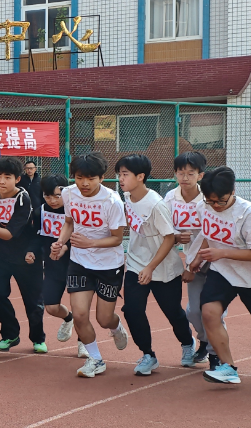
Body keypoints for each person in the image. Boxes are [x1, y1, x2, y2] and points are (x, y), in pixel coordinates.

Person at [188, 166, 251, 385]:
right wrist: (199, 257)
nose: (215, 206)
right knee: (208, 313)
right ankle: (228, 367)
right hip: (221, 271)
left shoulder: (249, 215)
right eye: (210, 200)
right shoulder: (203, 206)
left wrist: (221, 253)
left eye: (221, 201)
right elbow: (208, 233)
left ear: (233, 192)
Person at [51, 152, 129, 378]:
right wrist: (60, 242)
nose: (84, 183)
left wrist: (90, 242)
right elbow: (69, 222)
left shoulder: (112, 201)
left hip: (109, 265)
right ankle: (95, 359)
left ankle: (116, 327)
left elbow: (117, 238)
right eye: (79, 178)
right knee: (79, 314)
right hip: (79, 262)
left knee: (104, 319)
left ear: (102, 178)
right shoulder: (68, 193)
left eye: (91, 178)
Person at [116, 154, 193, 375]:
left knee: (173, 313)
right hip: (135, 264)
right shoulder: (127, 196)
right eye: (119, 174)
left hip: (163, 268)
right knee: (132, 310)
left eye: (125, 174)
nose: (120, 179)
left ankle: (188, 343)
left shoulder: (156, 205)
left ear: (140, 177)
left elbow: (169, 238)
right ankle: (148, 354)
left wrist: (150, 267)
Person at [0, 156, 45, 353]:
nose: (2, 181)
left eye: (7, 177)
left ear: (17, 179)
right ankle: (10, 334)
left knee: (32, 302)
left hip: (25, 253)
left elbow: (9, 234)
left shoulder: (23, 199)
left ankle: (38, 339)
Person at [166, 151, 212, 366]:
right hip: (192, 260)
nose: (185, 178)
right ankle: (204, 341)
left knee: (213, 311)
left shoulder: (207, 198)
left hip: (214, 258)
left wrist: (193, 263)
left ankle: (215, 353)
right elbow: (165, 225)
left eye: (190, 173)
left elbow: (208, 234)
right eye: (180, 172)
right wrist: (176, 236)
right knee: (193, 311)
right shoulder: (170, 198)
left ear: (200, 175)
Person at [36, 174, 88, 359]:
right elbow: (36, 237)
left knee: (81, 309)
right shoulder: (40, 211)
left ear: (65, 193)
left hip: (77, 264)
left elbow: (85, 236)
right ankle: (68, 318)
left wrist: (66, 246)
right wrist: (34, 252)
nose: (52, 200)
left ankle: (83, 343)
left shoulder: (76, 211)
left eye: (57, 196)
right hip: (53, 265)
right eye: (48, 196)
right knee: (51, 307)